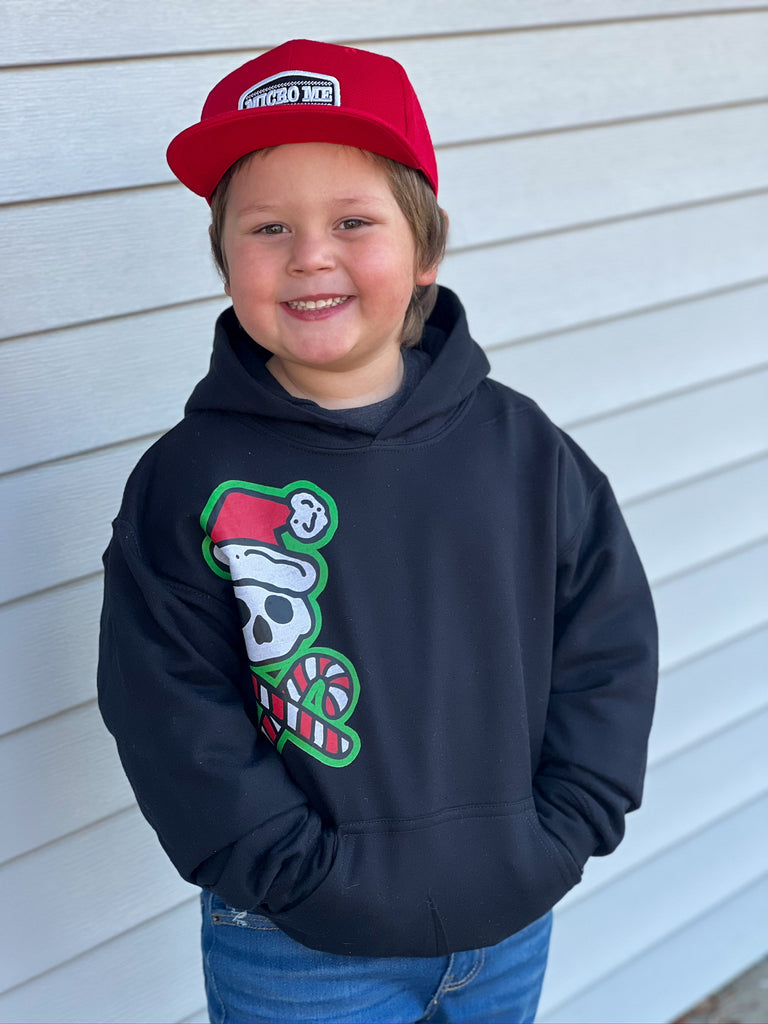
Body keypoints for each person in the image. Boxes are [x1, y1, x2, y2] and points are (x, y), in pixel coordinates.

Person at [97, 38, 658, 1024]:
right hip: (298, 947)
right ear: (226, 261)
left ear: (424, 249)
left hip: (509, 924)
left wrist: (562, 830)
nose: (310, 255)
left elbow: (605, 643)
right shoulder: (190, 480)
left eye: (353, 221)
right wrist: (289, 871)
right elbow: (168, 702)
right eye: (269, 226)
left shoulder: (524, 450)